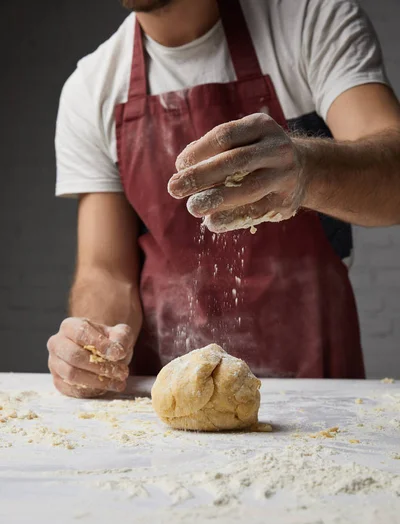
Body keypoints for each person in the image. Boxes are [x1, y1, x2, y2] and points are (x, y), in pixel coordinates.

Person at [48, 0, 400, 397]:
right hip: (168, 389)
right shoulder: (91, 86)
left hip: (316, 381)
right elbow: (106, 271)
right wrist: (95, 345)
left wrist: (306, 169)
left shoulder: (311, 20)